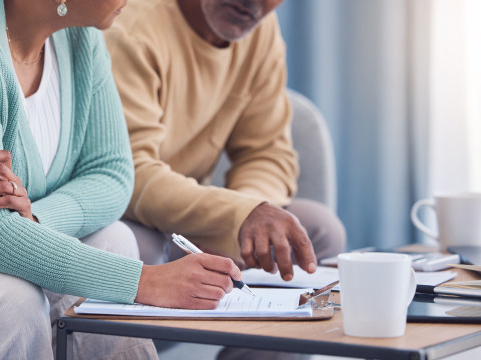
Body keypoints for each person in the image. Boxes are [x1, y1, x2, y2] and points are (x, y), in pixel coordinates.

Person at [0, 0, 242, 358]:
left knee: (114, 239)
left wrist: (35, 219)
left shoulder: (79, 38)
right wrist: (144, 282)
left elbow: (111, 174)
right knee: (9, 305)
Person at [105, 0, 346, 281]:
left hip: (195, 211)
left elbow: (267, 153)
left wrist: (240, 226)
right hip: (130, 213)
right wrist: (236, 216)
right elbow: (129, 175)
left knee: (321, 229)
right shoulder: (132, 30)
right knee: (135, 248)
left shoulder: (260, 31)